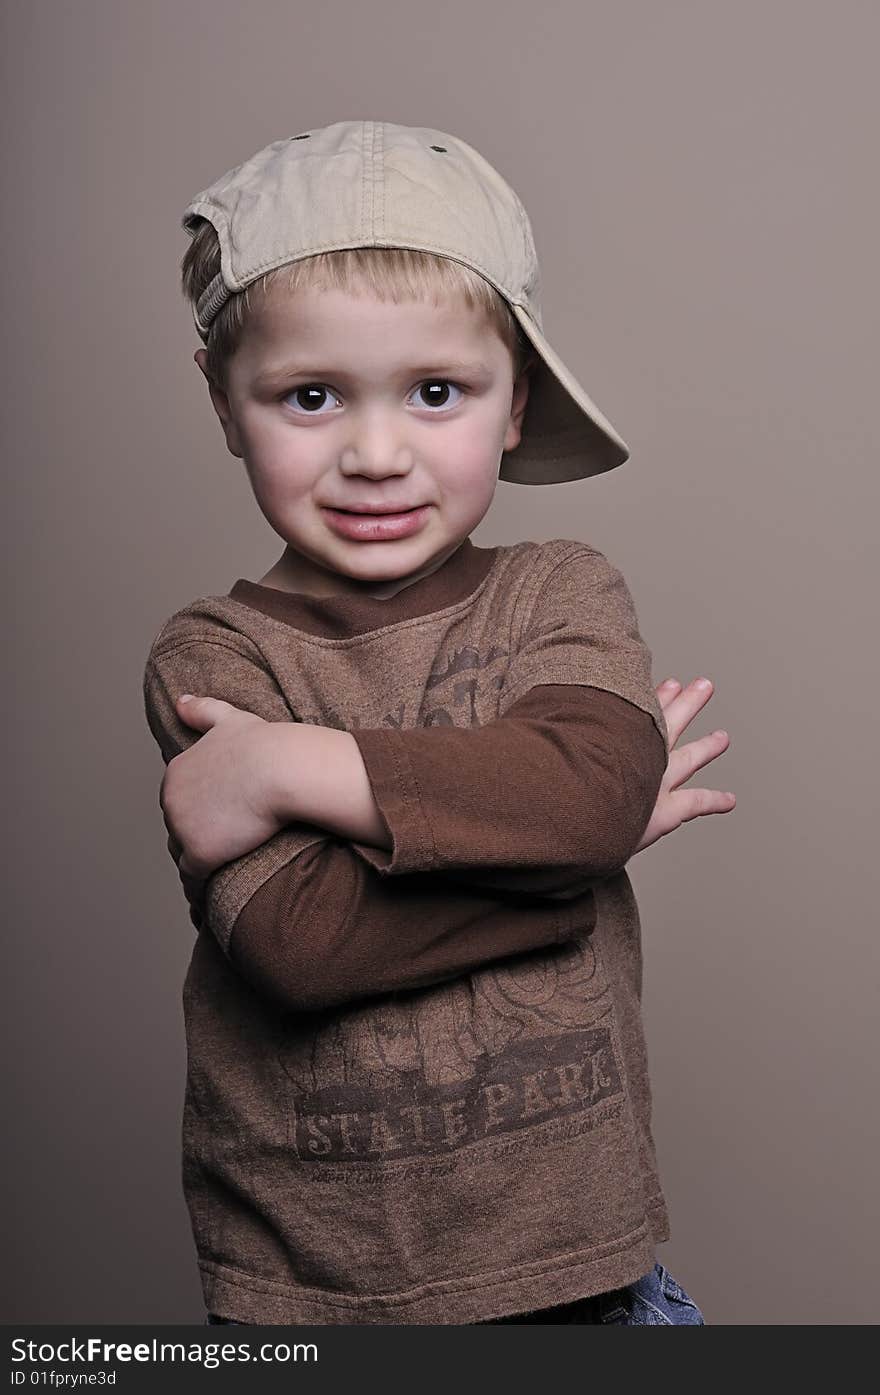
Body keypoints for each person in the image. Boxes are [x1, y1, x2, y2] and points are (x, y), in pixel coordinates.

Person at [142, 120, 734, 1326]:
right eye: (310, 395)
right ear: (223, 404)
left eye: (434, 391)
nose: (374, 452)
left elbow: (582, 797)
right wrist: (575, 856)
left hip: (585, 1277)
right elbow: (302, 945)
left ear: (514, 401)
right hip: (312, 1296)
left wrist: (294, 766)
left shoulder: (559, 592)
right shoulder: (217, 655)